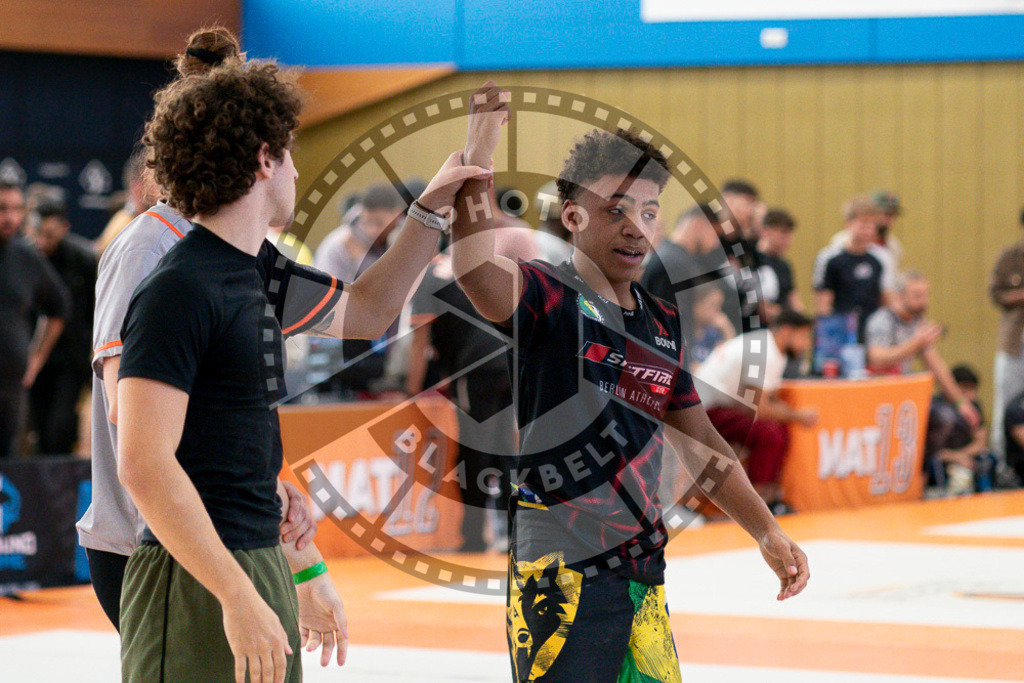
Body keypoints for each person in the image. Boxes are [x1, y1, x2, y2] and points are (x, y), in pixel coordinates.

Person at [115, 51, 495, 683]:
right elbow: (143, 465)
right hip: (198, 574)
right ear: (264, 159)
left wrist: (430, 209)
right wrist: (237, 595)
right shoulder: (178, 288)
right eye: (288, 153)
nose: (295, 169)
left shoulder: (257, 269)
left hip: (253, 554)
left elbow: (369, 311)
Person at [452, 94, 810, 682]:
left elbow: (702, 444)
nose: (635, 226)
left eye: (649, 210)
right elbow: (472, 271)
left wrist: (766, 531)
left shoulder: (660, 319)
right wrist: (480, 149)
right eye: (616, 208)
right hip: (558, 574)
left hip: (642, 571)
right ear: (572, 216)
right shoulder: (547, 293)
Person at [695, 310, 818, 511]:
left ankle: (768, 495)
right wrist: (798, 415)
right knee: (768, 433)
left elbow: (764, 400)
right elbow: (760, 408)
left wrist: (787, 414)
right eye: (804, 336)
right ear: (787, 332)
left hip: (716, 405)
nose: (807, 344)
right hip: (705, 409)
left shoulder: (769, 348)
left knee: (778, 429)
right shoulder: (765, 351)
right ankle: (758, 502)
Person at [0, 180, 70, 459]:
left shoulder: (25, 256)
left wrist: (35, 359)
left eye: (18, 209)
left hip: (11, 389)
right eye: (3, 209)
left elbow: (60, 307)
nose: (11, 217)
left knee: (7, 471)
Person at [864, 271, 980, 429]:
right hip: (877, 395)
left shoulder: (918, 322)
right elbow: (876, 358)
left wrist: (960, 402)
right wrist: (915, 343)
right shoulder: (882, 321)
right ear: (899, 295)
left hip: (902, 395)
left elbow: (936, 366)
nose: (924, 301)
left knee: (945, 418)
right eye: (917, 296)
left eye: (926, 295)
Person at [25, 201, 97, 455]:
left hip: (70, 357)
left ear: (64, 228)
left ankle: (61, 487)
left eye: (50, 235)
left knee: (61, 427)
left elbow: (93, 310)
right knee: (39, 427)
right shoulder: (25, 256)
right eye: (38, 234)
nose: (43, 242)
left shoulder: (83, 259)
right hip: (31, 357)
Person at [641, 203, 728, 342]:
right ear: (699, 224)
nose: (716, 244)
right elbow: (674, 324)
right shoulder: (674, 263)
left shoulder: (678, 257)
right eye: (715, 235)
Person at [813, 195, 894, 339]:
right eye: (863, 224)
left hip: (871, 330)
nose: (869, 231)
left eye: (872, 225)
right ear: (848, 223)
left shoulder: (881, 258)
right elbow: (823, 304)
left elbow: (886, 299)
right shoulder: (829, 257)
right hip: (840, 329)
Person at [989, 208, 1024, 468]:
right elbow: (997, 295)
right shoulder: (1010, 258)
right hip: (1014, 342)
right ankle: (1002, 462)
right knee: (1006, 401)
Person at [925, 365, 993, 496]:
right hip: (941, 457)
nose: (970, 394)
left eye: (973, 389)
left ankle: (986, 495)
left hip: (965, 456)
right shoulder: (935, 408)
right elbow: (928, 448)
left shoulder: (974, 407)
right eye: (964, 389)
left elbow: (981, 441)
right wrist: (953, 457)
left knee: (986, 459)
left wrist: (962, 455)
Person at [757, 208, 803, 322]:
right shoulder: (754, 262)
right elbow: (760, 308)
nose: (788, 240)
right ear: (765, 232)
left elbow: (794, 301)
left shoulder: (784, 266)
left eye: (790, 234)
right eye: (783, 233)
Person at [688, 285, 734, 369]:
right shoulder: (682, 329)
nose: (717, 312)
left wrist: (727, 329)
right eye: (713, 305)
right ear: (697, 304)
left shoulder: (713, 335)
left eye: (719, 306)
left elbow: (730, 361)